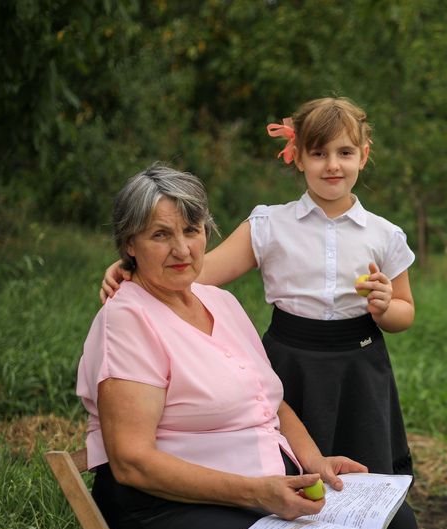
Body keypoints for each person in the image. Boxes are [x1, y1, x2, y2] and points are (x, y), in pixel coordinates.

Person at [79, 163, 420, 529]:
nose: (182, 249)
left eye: (192, 231)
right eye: (160, 235)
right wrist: (256, 492)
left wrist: (312, 461)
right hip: (165, 511)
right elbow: (132, 463)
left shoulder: (217, 301)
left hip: (250, 489)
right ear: (129, 243)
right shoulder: (128, 321)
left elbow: (272, 402)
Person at [101, 97, 416, 479]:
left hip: (359, 365)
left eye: (345, 152)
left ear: (363, 156)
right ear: (297, 157)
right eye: (318, 153)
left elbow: (405, 312)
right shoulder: (270, 224)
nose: (332, 165)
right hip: (290, 362)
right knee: (295, 470)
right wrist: (131, 267)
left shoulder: (385, 234)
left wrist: (385, 308)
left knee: (365, 467)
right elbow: (198, 271)